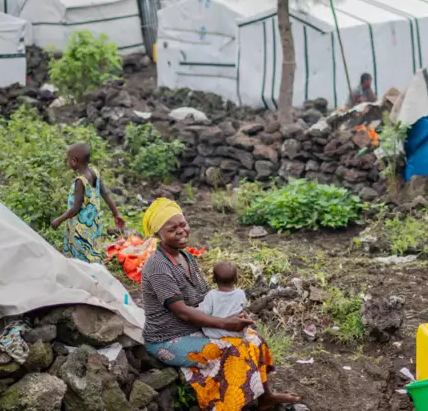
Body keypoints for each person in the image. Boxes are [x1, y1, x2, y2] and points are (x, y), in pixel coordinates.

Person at [140, 199, 299, 411]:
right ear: (159, 234)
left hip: (198, 327)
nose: (181, 231)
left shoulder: (186, 257)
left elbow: (207, 296)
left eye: (183, 224)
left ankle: (265, 397)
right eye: (172, 228)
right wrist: (224, 324)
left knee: (253, 339)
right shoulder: (158, 266)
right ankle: (225, 406)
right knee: (233, 350)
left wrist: (233, 314)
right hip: (167, 338)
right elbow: (182, 312)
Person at [49, 143, 125, 263]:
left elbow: (75, 208)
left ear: (74, 161)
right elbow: (105, 194)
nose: (68, 162)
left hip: (80, 229)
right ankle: (94, 272)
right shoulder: (95, 173)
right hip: (92, 225)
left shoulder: (80, 181)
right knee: (91, 250)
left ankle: (83, 275)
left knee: (80, 256)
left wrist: (58, 220)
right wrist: (116, 213)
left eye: (68, 160)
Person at [199, 261, 247, 340]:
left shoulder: (211, 295)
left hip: (214, 334)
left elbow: (205, 314)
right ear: (236, 279)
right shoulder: (240, 293)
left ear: (214, 279)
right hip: (235, 333)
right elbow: (243, 307)